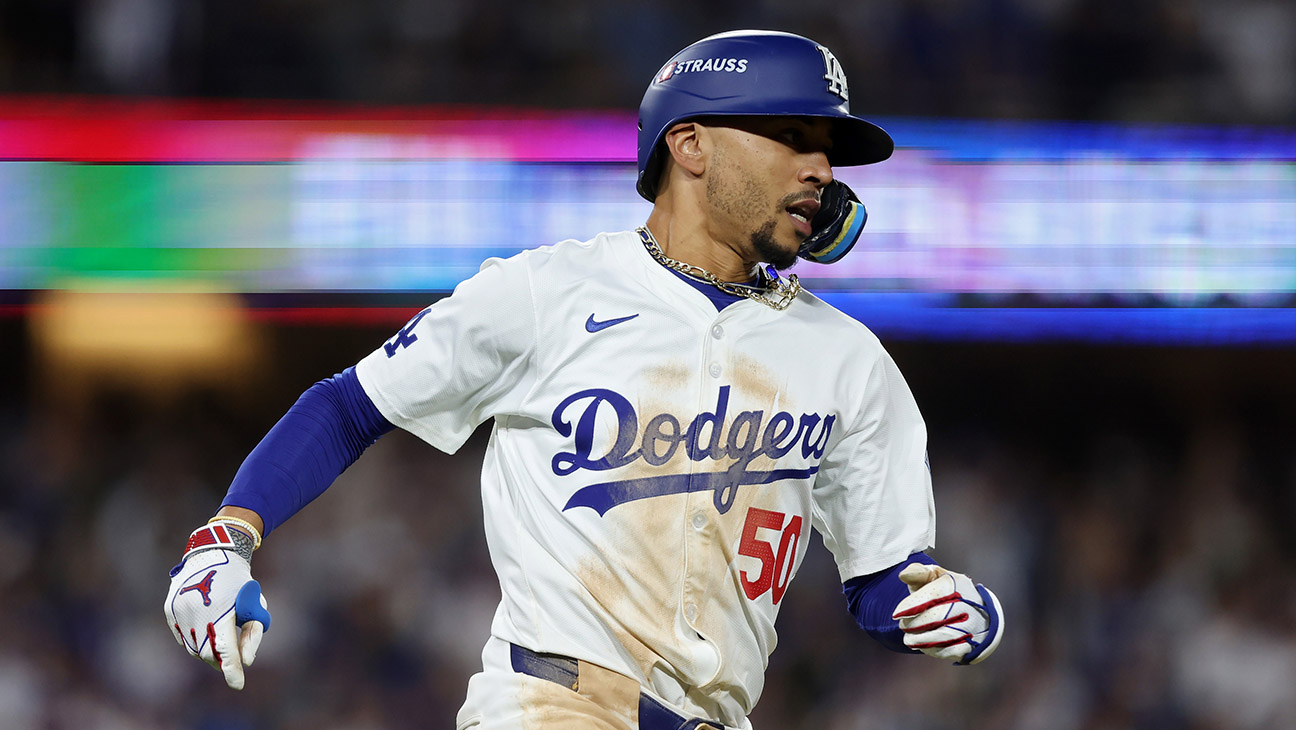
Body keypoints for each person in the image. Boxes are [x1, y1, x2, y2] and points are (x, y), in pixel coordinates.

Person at [165, 29, 1004, 730]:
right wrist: (226, 536)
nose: (820, 168)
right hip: (551, 706)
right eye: (792, 137)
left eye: (828, 149)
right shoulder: (547, 293)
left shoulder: (849, 359)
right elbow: (349, 406)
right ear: (690, 144)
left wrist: (953, 611)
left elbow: (882, 581)